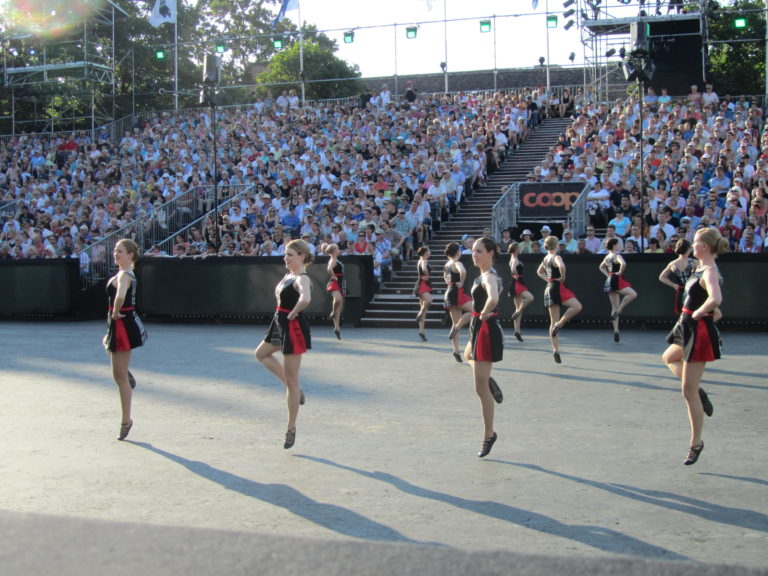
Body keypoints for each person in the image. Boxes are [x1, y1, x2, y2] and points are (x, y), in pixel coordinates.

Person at [662, 228, 728, 466]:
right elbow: (716, 311)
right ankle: (699, 390)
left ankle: (696, 443)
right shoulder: (698, 268)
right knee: (668, 358)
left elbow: (716, 299)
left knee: (687, 393)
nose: (693, 246)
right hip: (686, 325)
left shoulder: (709, 271)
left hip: (696, 331)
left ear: (705, 247)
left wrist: (701, 313)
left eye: (696, 242)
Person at [255, 239, 313, 450]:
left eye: (290, 254)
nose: (285, 258)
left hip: (292, 326)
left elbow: (305, 299)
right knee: (261, 354)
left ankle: (291, 427)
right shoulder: (289, 275)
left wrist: (294, 313)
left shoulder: (301, 278)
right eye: (285, 254)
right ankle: (292, 386)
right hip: (279, 321)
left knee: (293, 380)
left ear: (302, 256)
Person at [103, 238, 148, 441]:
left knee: (119, 378)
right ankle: (126, 372)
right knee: (106, 344)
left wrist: (116, 312)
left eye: (119, 251)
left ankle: (126, 420)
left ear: (130, 255)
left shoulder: (124, 276)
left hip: (121, 323)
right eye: (115, 251)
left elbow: (120, 295)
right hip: (119, 323)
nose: (115, 254)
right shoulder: (125, 274)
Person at [465, 237, 504, 458]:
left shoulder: (489, 277)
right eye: (473, 251)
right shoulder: (482, 275)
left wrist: (485, 312)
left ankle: (489, 434)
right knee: (467, 354)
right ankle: (489, 379)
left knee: (479, 390)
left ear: (491, 253)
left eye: (479, 251)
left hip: (485, 329)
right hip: (477, 325)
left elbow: (493, 297)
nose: (474, 254)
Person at [537, 236, 582, 364]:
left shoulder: (546, 258)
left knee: (553, 321)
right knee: (577, 306)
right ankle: (560, 324)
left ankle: (555, 349)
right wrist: (562, 277)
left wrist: (548, 279)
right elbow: (561, 266)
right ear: (556, 245)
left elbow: (539, 272)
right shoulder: (556, 257)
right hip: (557, 287)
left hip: (549, 287)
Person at [599, 238, 638, 343]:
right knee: (632, 294)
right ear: (614, 245)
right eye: (618, 244)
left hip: (610, 280)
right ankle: (620, 310)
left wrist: (608, 275)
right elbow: (623, 264)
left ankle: (616, 330)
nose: (620, 245)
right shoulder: (617, 256)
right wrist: (620, 272)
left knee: (613, 307)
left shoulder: (607, 257)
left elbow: (601, 267)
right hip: (616, 279)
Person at [443, 242, 473, 363]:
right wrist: (461, 282)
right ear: (457, 252)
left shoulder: (447, 264)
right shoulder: (457, 263)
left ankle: (456, 350)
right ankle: (458, 327)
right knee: (476, 311)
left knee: (455, 322)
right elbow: (463, 272)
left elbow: (444, 276)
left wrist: (450, 284)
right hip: (457, 292)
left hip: (449, 291)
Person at [658, 238, 696, 316]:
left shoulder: (673, 264)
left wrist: (674, 285)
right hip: (693, 291)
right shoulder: (695, 262)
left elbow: (662, 277)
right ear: (688, 249)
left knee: (682, 315)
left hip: (681, 292)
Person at [507, 242, 534, 342]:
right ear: (516, 249)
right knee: (530, 298)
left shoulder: (513, 258)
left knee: (518, 308)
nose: (520, 248)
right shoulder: (514, 259)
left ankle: (517, 331)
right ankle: (518, 313)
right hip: (518, 282)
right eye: (519, 247)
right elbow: (513, 269)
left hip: (517, 282)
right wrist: (516, 274)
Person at [325, 243, 346, 340]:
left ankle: (337, 328)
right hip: (335, 282)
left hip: (341, 282)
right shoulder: (333, 259)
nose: (339, 250)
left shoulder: (336, 259)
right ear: (334, 251)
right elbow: (329, 269)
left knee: (339, 306)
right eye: (337, 249)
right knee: (337, 300)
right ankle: (333, 312)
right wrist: (333, 276)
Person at [413, 245, 433, 341]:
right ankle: (420, 313)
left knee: (424, 309)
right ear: (426, 253)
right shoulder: (424, 260)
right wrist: (427, 275)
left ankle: (422, 331)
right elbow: (424, 269)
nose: (430, 252)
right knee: (429, 300)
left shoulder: (420, 260)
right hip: (423, 283)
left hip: (422, 282)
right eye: (429, 251)